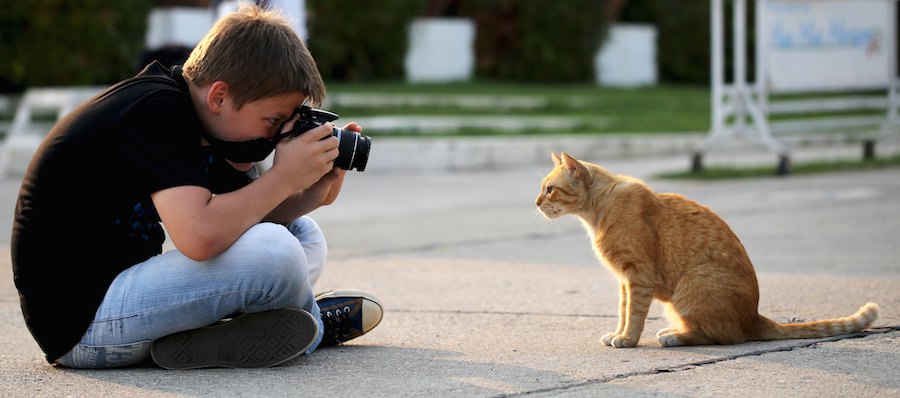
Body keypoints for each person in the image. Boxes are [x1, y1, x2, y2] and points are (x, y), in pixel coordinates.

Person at [11, 4, 382, 370]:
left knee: (302, 234)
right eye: (272, 120)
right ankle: (310, 324)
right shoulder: (157, 110)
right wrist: (282, 177)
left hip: (131, 301)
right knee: (277, 252)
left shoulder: (201, 119)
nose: (275, 134)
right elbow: (200, 236)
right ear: (219, 96)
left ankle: (262, 327)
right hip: (83, 326)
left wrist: (311, 192)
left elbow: (242, 216)